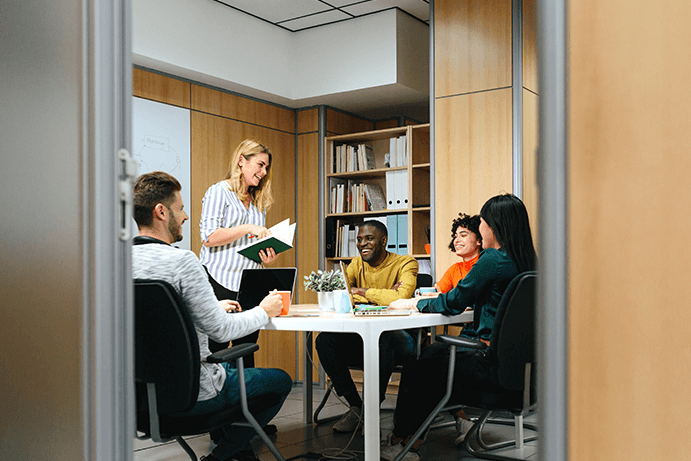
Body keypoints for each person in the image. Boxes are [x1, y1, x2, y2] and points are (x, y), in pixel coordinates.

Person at [132, 171, 292, 461]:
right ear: (160, 212)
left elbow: (154, 315)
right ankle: (221, 457)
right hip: (196, 397)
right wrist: (263, 310)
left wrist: (204, 308)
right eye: (180, 208)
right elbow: (221, 332)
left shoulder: (114, 261)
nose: (186, 217)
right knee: (280, 380)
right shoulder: (182, 261)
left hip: (137, 402)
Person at [380, 193, 537, 461]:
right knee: (434, 358)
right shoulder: (529, 262)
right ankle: (416, 436)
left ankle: (403, 442)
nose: (481, 228)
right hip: (525, 376)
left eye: (483, 223)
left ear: (494, 226)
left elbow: (454, 301)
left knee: (420, 367)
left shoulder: (493, 260)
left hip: (490, 368)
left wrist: (413, 304)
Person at [315, 220, 419, 433]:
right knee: (324, 340)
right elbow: (342, 295)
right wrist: (383, 296)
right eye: (360, 239)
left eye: (369, 239)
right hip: (362, 336)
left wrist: (361, 292)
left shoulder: (406, 263)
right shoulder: (355, 264)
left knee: (382, 338)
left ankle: (373, 408)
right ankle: (356, 407)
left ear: (384, 241)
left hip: (401, 339)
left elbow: (402, 296)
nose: (363, 244)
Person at [199, 139, 278, 366]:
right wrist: (247, 228)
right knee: (217, 348)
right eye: (260, 165)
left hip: (249, 284)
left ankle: (245, 400)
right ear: (242, 161)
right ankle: (218, 398)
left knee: (246, 350)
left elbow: (251, 243)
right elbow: (209, 238)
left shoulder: (257, 201)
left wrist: (268, 256)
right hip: (218, 281)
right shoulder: (219, 192)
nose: (263, 172)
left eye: (266, 168)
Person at [435, 213, 482, 294]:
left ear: (479, 240)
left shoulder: (486, 266)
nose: (456, 240)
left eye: (463, 235)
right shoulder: (455, 269)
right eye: (455, 236)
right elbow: (438, 291)